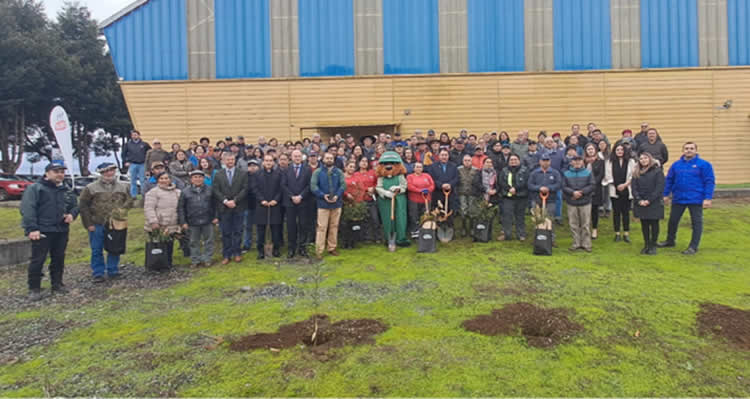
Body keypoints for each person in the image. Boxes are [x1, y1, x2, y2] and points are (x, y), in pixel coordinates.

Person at [20, 161, 78, 301]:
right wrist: (32, 228)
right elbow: (28, 209)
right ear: (47, 173)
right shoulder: (36, 188)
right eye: (56, 171)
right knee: (38, 260)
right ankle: (34, 288)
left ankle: (57, 284)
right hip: (42, 230)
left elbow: (75, 205)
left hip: (61, 230)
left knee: (58, 258)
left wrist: (72, 214)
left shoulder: (66, 190)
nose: (60, 174)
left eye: (62, 172)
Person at [78, 163, 133, 282]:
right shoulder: (90, 188)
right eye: (106, 171)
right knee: (96, 249)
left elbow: (130, 201)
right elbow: (83, 206)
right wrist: (88, 224)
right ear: (101, 173)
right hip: (97, 222)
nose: (109, 173)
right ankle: (98, 272)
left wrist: (122, 210)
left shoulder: (123, 187)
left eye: (112, 170)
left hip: (116, 223)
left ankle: (113, 270)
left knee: (115, 247)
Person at [659, 142, 715, 255]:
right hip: (679, 198)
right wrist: (665, 195)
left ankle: (693, 246)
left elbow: (709, 181)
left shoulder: (704, 165)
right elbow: (669, 180)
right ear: (683, 150)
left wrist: (708, 198)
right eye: (686, 148)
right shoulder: (676, 165)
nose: (689, 150)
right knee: (673, 221)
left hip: (696, 198)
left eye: (691, 148)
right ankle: (670, 241)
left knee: (696, 223)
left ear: (696, 150)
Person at [213, 152, 248, 264]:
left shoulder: (242, 173)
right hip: (224, 208)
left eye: (232, 159)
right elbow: (215, 190)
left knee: (238, 231)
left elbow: (245, 189)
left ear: (235, 160)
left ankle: (237, 253)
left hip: (238, 206)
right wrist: (225, 201)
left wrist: (235, 200)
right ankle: (226, 255)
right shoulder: (218, 174)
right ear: (223, 161)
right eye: (228, 160)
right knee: (226, 232)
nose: (230, 162)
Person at [178, 170, 218, 267]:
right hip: (192, 221)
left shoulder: (210, 189)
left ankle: (207, 259)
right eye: (195, 177)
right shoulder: (185, 191)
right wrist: (183, 221)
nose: (198, 179)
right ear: (191, 179)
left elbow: (216, 204)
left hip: (208, 220)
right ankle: (195, 260)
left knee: (209, 241)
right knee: (193, 242)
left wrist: (216, 216)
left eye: (200, 177)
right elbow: (181, 208)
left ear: (203, 179)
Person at [311, 152, 346, 258]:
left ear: (333, 160)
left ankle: (332, 248)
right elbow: (313, 186)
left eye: (331, 158)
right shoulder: (317, 172)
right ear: (323, 159)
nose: (329, 160)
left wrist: (337, 195)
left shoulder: (339, 172)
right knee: (321, 227)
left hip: (336, 203)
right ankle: (319, 251)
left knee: (334, 226)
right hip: (323, 204)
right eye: (327, 158)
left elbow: (343, 185)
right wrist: (322, 195)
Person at [143, 172, 182, 268]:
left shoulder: (177, 192)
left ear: (170, 179)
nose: (164, 181)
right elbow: (149, 208)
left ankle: (168, 265)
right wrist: (153, 221)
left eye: (166, 178)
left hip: (172, 225)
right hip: (158, 225)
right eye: (161, 178)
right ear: (158, 180)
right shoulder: (152, 193)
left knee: (169, 246)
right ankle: (155, 265)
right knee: (157, 246)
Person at [281, 150, 313, 258]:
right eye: (295, 156)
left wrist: (301, 196)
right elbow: (283, 185)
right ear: (291, 157)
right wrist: (292, 196)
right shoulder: (286, 170)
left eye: (299, 156)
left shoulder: (307, 169)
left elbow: (309, 185)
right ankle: (291, 248)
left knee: (303, 225)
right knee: (291, 226)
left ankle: (302, 248)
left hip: (303, 202)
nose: (297, 158)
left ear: (302, 157)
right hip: (289, 202)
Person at [632, 153, 665, 255]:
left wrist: (649, 200)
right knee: (644, 224)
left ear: (650, 159)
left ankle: (653, 245)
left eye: (645, 158)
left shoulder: (657, 171)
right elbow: (634, 188)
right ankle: (646, 244)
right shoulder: (637, 172)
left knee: (654, 224)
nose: (643, 160)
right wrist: (639, 200)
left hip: (654, 202)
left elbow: (659, 188)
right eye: (641, 158)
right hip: (641, 202)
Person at [375, 151, 410, 247]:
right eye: (386, 164)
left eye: (392, 163)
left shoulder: (400, 176)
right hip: (385, 201)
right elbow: (378, 187)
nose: (389, 166)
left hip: (399, 200)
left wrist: (398, 189)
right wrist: (385, 193)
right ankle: (388, 238)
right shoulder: (381, 177)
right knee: (387, 218)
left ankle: (401, 238)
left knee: (400, 218)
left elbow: (404, 186)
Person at [603, 144, 636, 242]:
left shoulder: (631, 161)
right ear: (614, 151)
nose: (620, 151)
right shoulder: (609, 162)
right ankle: (617, 233)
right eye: (618, 150)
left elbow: (633, 175)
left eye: (622, 149)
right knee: (616, 213)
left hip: (627, 189)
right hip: (614, 189)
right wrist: (617, 185)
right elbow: (608, 175)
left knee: (626, 212)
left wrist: (625, 185)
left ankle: (626, 233)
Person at [252, 154, 283, 259]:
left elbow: (281, 188)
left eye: (270, 161)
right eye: (266, 160)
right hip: (261, 205)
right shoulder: (257, 174)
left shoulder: (278, 174)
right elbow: (254, 188)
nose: (268, 162)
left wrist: (276, 200)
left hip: (275, 205)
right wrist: (262, 200)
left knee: (275, 230)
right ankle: (260, 251)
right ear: (263, 162)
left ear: (273, 162)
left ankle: (276, 249)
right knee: (261, 230)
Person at [562, 155, 595, 252]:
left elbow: (592, 185)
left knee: (585, 224)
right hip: (571, 202)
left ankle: (586, 244)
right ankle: (576, 243)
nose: (577, 163)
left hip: (585, 202)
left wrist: (581, 192)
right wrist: (572, 192)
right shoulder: (566, 173)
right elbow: (564, 186)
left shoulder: (588, 173)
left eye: (579, 161)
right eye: (575, 161)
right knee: (573, 224)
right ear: (571, 162)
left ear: (582, 162)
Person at [498, 154, 529, 241]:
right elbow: (501, 182)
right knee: (507, 217)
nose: (513, 161)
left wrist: (515, 189)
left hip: (521, 196)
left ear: (519, 161)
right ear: (508, 161)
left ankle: (521, 235)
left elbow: (526, 182)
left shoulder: (525, 170)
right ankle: (507, 235)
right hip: (507, 197)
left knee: (520, 217)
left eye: (515, 159)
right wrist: (509, 189)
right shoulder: (504, 170)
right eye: (511, 160)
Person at [353, 156, 381, 242]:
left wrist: (373, 188)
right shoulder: (356, 174)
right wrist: (366, 189)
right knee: (364, 220)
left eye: (366, 161)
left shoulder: (372, 172)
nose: (364, 163)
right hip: (361, 199)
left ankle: (377, 237)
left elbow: (378, 182)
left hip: (372, 199)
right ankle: (366, 238)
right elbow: (355, 186)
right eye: (362, 161)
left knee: (375, 219)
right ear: (358, 163)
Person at [428, 148, 459, 221]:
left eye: (446, 155)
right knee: (438, 213)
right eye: (442, 155)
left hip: (450, 194)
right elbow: (432, 178)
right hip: (437, 193)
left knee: (450, 213)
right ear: (439, 156)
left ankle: (449, 228)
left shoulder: (453, 166)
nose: (444, 157)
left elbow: (456, 178)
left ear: (448, 156)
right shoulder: (433, 166)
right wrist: (441, 185)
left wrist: (450, 184)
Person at [406, 162, 435, 237]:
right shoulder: (410, 176)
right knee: (414, 215)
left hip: (426, 199)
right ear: (414, 168)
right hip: (414, 200)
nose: (418, 168)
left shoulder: (427, 175)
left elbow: (432, 185)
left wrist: (428, 190)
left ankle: (424, 231)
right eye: (417, 167)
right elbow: (410, 186)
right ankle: (415, 231)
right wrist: (420, 191)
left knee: (425, 215)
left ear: (422, 168)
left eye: (420, 167)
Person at [583, 143, 605, 239]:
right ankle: (585, 229)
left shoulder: (600, 162)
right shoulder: (583, 162)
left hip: (596, 188)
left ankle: (594, 230)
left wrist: (592, 184)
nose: (590, 151)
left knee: (594, 210)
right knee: (585, 211)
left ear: (595, 150)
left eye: (592, 149)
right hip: (584, 189)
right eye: (588, 149)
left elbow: (601, 175)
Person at [457, 154, 481, 237]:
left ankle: (471, 228)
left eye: (469, 160)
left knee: (472, 210)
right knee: (463, 210)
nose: (467, 162)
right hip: (462, 192)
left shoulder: (476, 170)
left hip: (472, 193)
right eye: (465, 160)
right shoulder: (458, 169)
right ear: (463, 161)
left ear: (471, 161)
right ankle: (463, 228)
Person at [122, 130, 151, 198]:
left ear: (139, 135)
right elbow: (123, 154)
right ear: (131, 136)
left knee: (142, 180)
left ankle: (144, 195)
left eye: (136, 135)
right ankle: (133, 196)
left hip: (142, 164)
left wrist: (148, 162)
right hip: (132, 164)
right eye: (133, 135)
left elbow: (149, 152)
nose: (134, 136)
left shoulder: (144, 144)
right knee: (132, 180)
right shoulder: (128, 144)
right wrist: (125, 161)